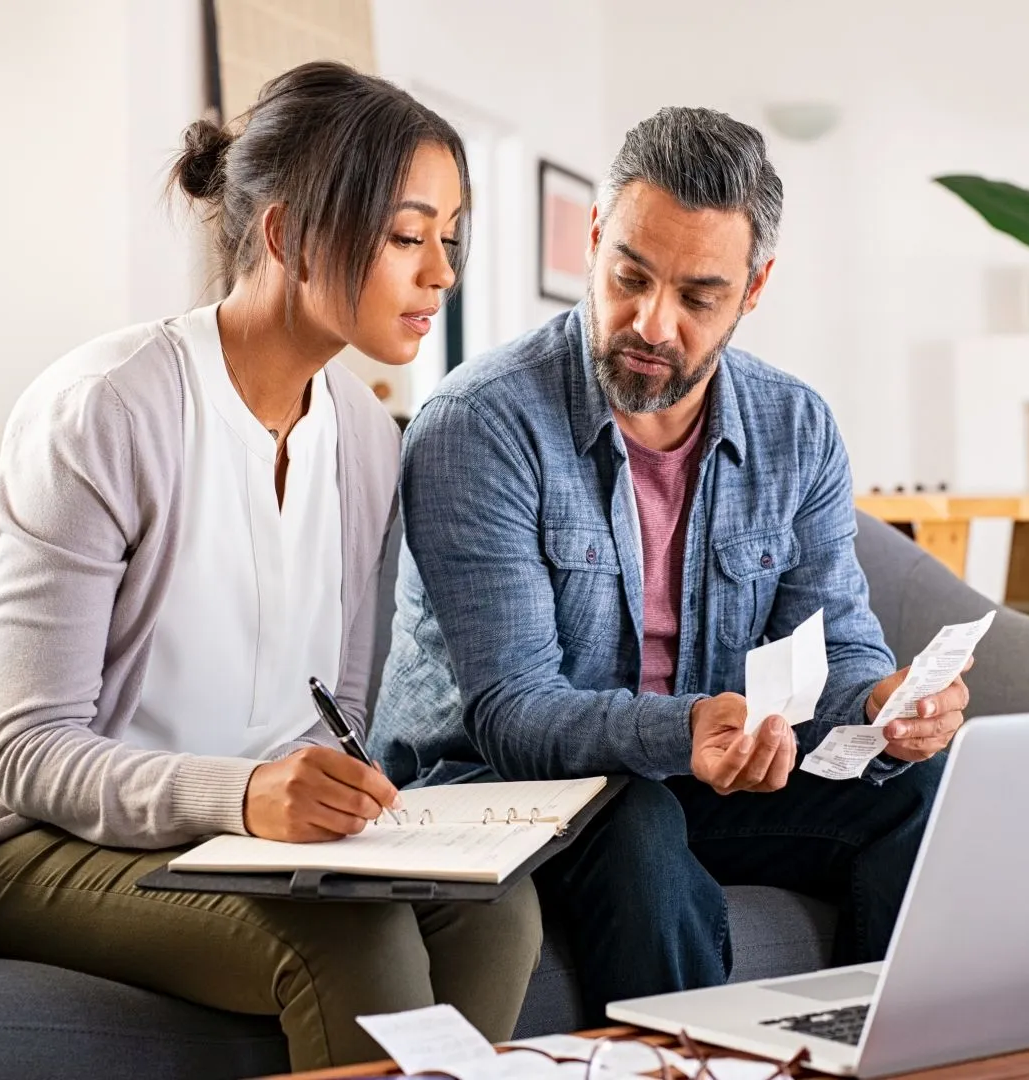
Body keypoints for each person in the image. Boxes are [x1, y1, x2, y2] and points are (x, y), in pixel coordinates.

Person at [0, 61, 541, 1070]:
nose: (440, 273)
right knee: (357, 934)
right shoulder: (107, 410)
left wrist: (346, 804)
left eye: (450, 238)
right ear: (290, 233)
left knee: (497, 909)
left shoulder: (372, 441)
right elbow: (27, 752)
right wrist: (246, 796)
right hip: (34, 843)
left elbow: (330, 709)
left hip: (237, 841)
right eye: (406, 235)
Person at [371, 106, 969, 1020]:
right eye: (630, 277)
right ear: (597, 240)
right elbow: (511, 713)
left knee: (919, 792)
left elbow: (839, 644)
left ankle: (866, 1051)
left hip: (694, 771)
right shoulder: (482, 424)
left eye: (698, 297)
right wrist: (688, 729)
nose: (652, 323)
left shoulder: (796, 427)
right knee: (640, 822)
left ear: (753, 288)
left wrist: (883, 704)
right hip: (494, 788)